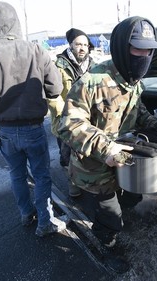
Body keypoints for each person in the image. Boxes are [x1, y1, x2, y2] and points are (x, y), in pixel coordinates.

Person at [56, 16, 157, 248]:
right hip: (96, 166)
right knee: (109, 214)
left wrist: (156, 125)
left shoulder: (133, 80)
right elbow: (69, 125)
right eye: (138, 50)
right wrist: (106, 147)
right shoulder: (92, 82)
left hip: (125, 157)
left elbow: (136, 109)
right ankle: (107, 239)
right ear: (123, 49)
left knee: (133, 195)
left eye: (149, 52)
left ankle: (118, 217)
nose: (144, 57)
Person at [0, 1, 67, 237]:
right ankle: (45, 222)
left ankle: (26, 213)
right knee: (41, 176)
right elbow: (56, 88)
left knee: (17, 175)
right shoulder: (36, 50)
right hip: (33, 128)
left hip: (7, 131)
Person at [50, 28, 96, 198]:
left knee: (87, 153)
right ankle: (74, 186)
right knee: (67, 157)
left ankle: (87, 182)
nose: (82, 48)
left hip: (88, 120)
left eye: (85, 44)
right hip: (65, 121)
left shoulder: (93, 66)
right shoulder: (58, 67)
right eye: (78, 44)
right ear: (70, 45)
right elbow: (52, 96)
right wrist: (67, 115)